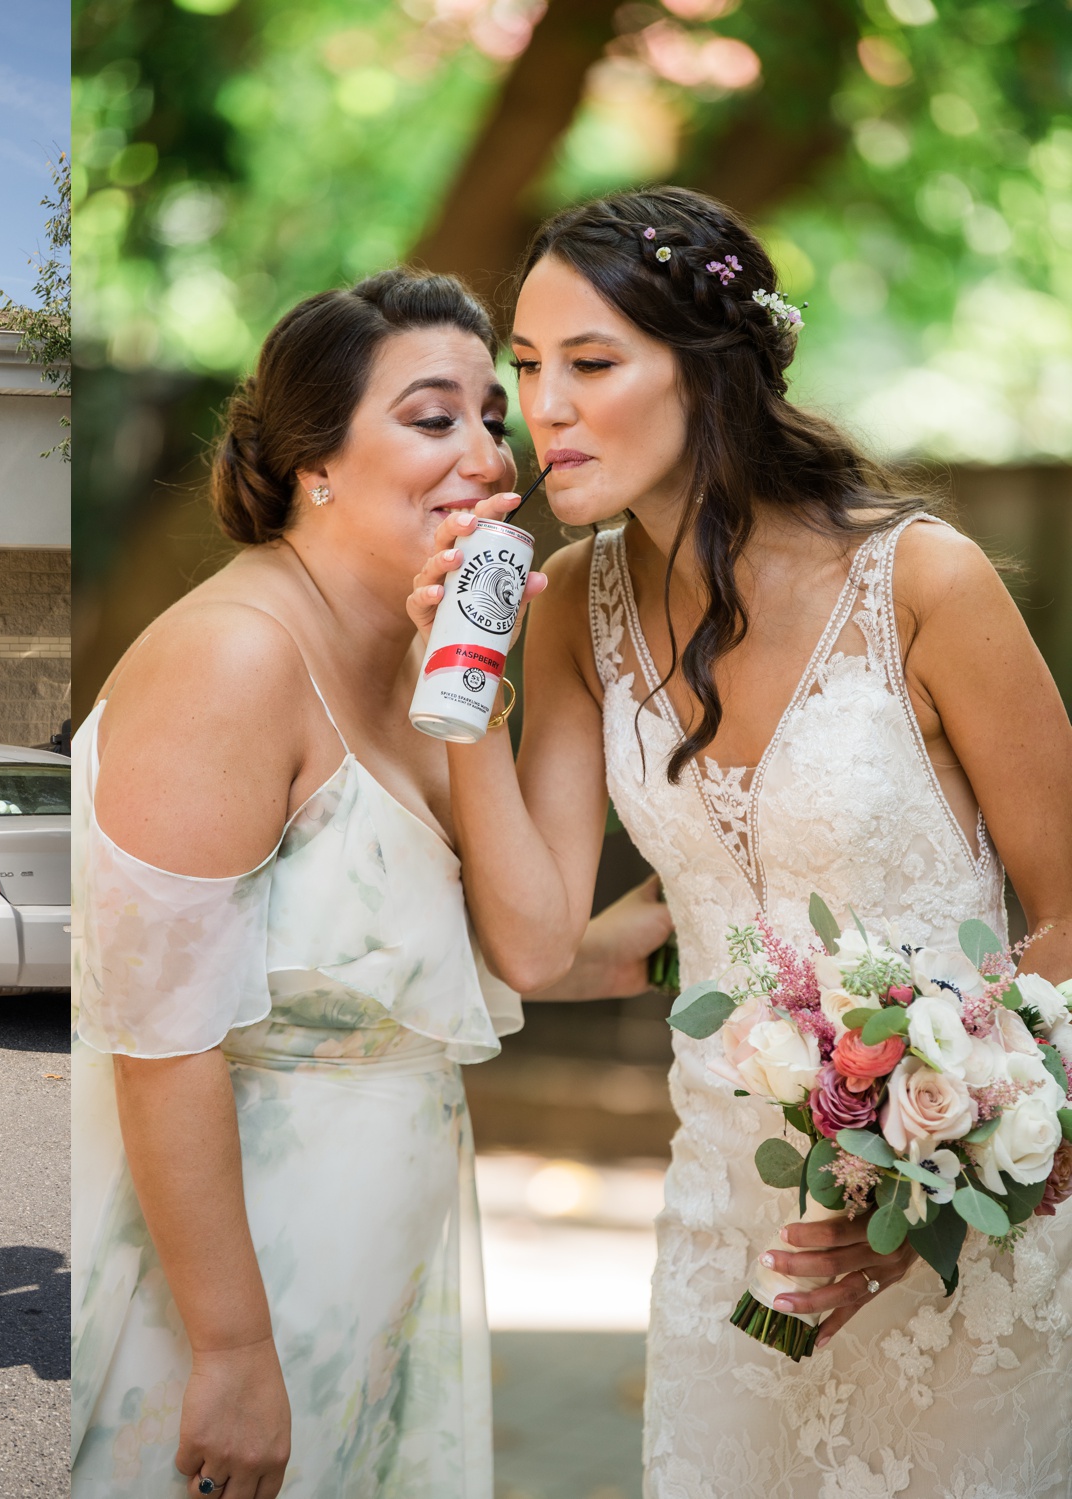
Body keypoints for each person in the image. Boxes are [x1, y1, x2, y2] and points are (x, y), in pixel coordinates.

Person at [409, 186, 1072, 1494]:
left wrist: (939, 1170)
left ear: (710, 372)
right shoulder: (575, 606)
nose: (543, 409)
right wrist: (459, 691)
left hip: (972, 1224)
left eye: (591, 364)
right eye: (528, 370)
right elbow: (540, 939)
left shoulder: (924, 580)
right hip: (729, 1217)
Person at [71, 269, 673, 1499]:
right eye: (431, 417)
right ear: (314, 464)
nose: (486, 455)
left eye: (489, 419)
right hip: (229, 1281)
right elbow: (160, 1040)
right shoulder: (230, 657)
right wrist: (234, 1352)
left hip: (376, 1263)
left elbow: (517, 947)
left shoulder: (430, 653)